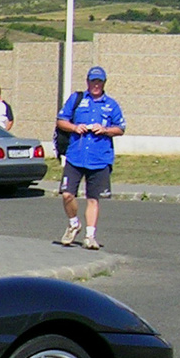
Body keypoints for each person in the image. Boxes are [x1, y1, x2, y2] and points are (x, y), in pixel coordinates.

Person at [55, 66, 126, 250]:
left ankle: (90, 236)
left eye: (99, 82)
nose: (96, 85)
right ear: (87, 82)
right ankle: (73, 223)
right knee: (67, 194)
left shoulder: (111, 105)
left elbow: (121, 128)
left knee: (93, 198)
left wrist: (105, 130)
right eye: (93, 81)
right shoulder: (77, 99)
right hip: (75, 156)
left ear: (104, 83)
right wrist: (74, 127)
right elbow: (61, 121)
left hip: (100, 158)